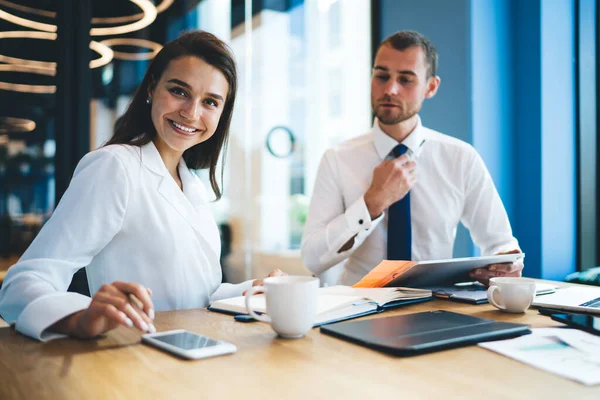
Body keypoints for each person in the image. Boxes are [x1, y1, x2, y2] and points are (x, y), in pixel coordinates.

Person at [0, 31, 282, 341]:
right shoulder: (114, 167)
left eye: (210, 102)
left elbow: (200, 291)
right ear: (151, 88)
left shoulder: (193, 187)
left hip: (196, 359)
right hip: (133, 363)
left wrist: (250, 290)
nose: (191, 112)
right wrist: (80, 318)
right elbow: (23, 284)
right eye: (179, 91)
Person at [301, 30, 523, 287]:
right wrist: (372, 203)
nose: (390, 90)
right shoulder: (337, 159)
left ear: (431, 87)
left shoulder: (461, 158)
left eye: (406, 80)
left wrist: (505, 265)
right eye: (381, 76)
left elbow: (501, 244)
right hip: (357, 309)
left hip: (435, 306)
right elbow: (313, 259)